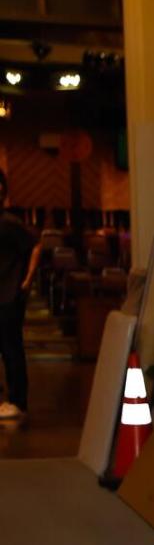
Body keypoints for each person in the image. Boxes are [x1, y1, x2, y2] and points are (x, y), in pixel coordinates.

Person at [0, 169, 40, 423]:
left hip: (8, 295)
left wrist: (27, 280)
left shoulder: (9, 222)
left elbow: (35, 244)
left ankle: (17, 402)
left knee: (11, 349)